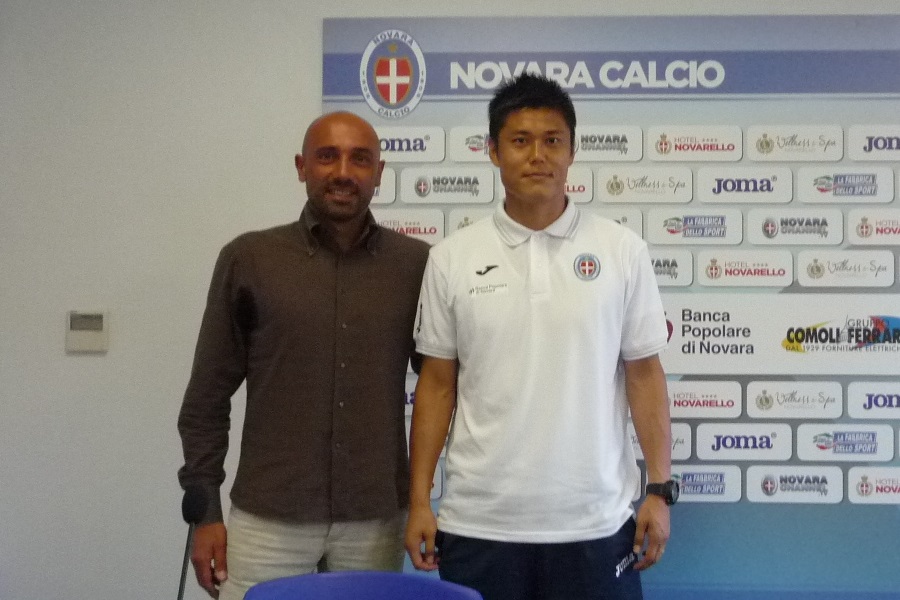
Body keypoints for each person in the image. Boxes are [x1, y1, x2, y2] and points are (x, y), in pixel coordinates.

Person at [405, 74, 676, 600]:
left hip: (596, 523)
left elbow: (645, 375)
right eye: (520, 140)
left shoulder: (622, 251)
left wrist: (660, 491)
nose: (537, 156)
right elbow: (436, 385)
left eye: (552, 140)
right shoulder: (451, 258)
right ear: (493, 151)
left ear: (572, 151)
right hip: (479, 524)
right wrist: (420, 501)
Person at [178, 111, 430, 600]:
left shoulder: (417, 265)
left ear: (379, 172)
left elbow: (441, 388)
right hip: (268, 517)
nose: (343, 172)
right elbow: (206, 399)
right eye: (327, 156)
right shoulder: (249, 260)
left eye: (360, 159)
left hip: (374, 520)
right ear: (301, 166)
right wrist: (205, 513)